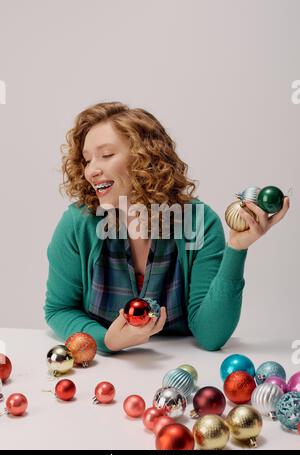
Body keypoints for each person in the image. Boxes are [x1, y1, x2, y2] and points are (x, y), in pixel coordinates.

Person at [44, 101, 290, 354]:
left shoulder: (199, 222)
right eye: (87, 160)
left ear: (145, 158)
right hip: (105, 369)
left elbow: (211, 336)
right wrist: (107, 341)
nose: (91, 171)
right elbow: (59, 310)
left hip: (182, 365)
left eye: (106, 155)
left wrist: (237, 248)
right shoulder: (78, 223)